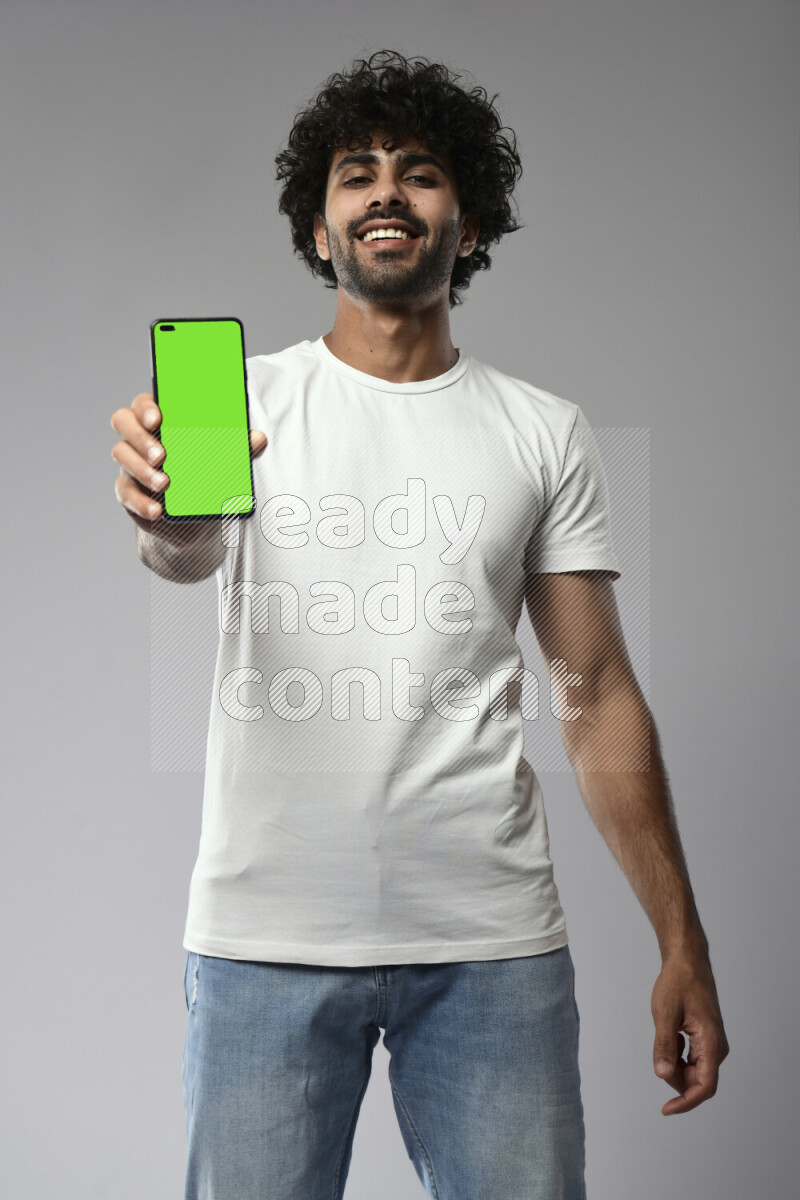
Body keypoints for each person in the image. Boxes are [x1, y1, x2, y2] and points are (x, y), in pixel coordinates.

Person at [110, 50, 729, 1200]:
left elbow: (593, 692)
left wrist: (678, 939)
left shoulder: (543, 431)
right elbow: (179, 551)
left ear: (471, 226)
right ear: (317, 230)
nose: (386, 191)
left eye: (420, 173)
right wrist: (167, 509)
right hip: (264, 945)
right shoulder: (233, 401)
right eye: (356, 174)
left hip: (491, 950)